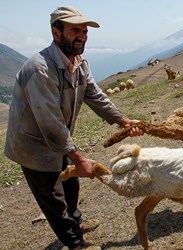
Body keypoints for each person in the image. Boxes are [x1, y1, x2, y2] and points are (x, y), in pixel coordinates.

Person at [4, 6, 143, 250]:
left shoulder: (78, 62)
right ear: (56, 33)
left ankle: (77, 220)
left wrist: (124, 121)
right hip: (32, 144)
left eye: (84, 31)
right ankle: (76, 243)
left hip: (58, 139)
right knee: (53, 198)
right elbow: (49, 121)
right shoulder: (41, 69)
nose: (82, 36)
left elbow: (95, 95)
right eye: (74, 30)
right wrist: (78, 157)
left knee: (70, 183)